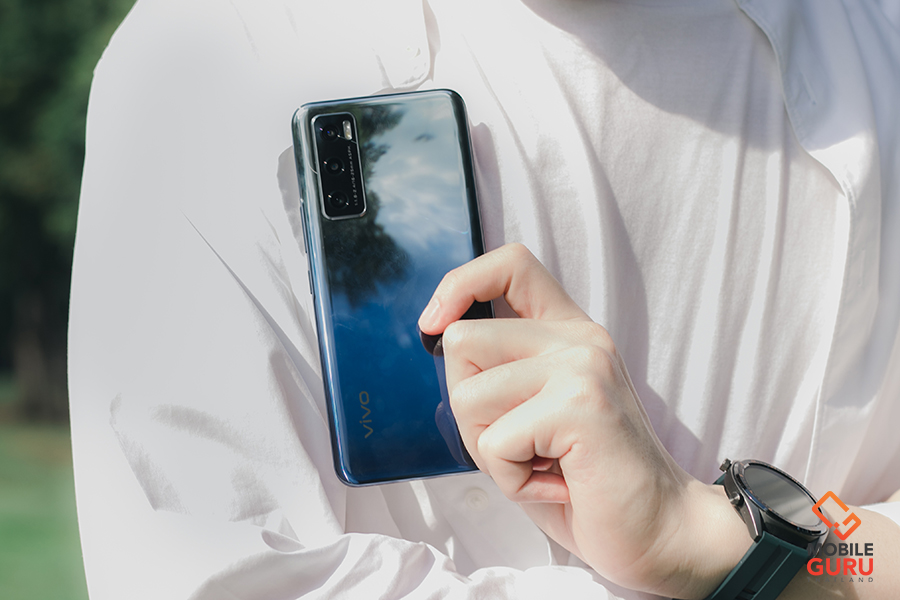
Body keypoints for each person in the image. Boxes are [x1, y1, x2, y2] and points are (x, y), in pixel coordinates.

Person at [68, 0, 900, 598]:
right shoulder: (210, 56)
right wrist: (777, 569)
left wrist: (704, 537)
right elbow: (205, 577)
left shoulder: (876, 37)